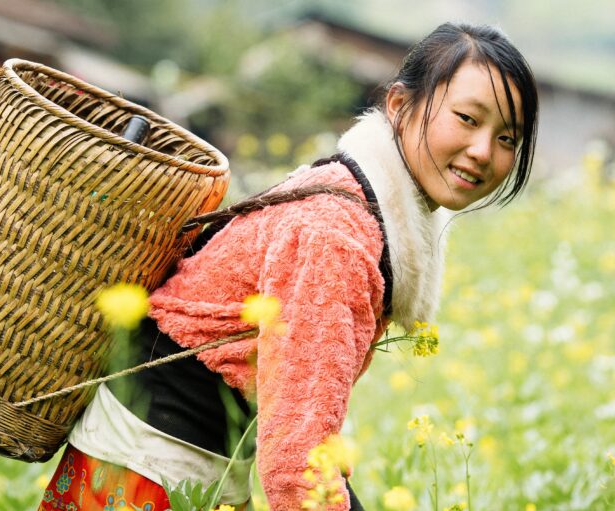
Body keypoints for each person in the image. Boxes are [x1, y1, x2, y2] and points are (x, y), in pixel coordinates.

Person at [38, 21, 539, 511]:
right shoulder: (335, 235)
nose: (482, 152)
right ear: (399, 106)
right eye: (468, 119)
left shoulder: (359, 203)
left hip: (181, 468)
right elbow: (299, 463)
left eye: (507, 139)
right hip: (147, 472)